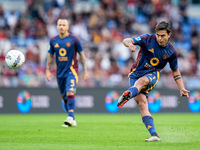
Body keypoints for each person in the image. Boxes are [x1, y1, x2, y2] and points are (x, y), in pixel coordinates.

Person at [117, 21, 190, 142]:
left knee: (142, 81)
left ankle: (129, 94)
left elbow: (175, 71)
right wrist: (130, 45)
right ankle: (154, 134)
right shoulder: (147, 39)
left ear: (169, 35)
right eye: (158, 35)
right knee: (142, 104)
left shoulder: (171, 52)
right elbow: (127, 39)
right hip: (135, 73)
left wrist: (181, 88)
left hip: (152, 74)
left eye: (162, 36)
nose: (159, 38)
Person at [46, 18, 89, 127]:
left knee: (70, 92)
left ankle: (70, 116)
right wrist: (47, 70)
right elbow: (50, 56)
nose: (61, 27)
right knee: (64, 98)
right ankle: (72, 119)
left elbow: (82, 55)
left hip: (72, 71)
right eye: (59, 25)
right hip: (59, 73)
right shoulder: (53, 41)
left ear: (68, 27)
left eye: (64, 25)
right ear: (57, 26)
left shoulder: (74, 39)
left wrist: (85, 70)